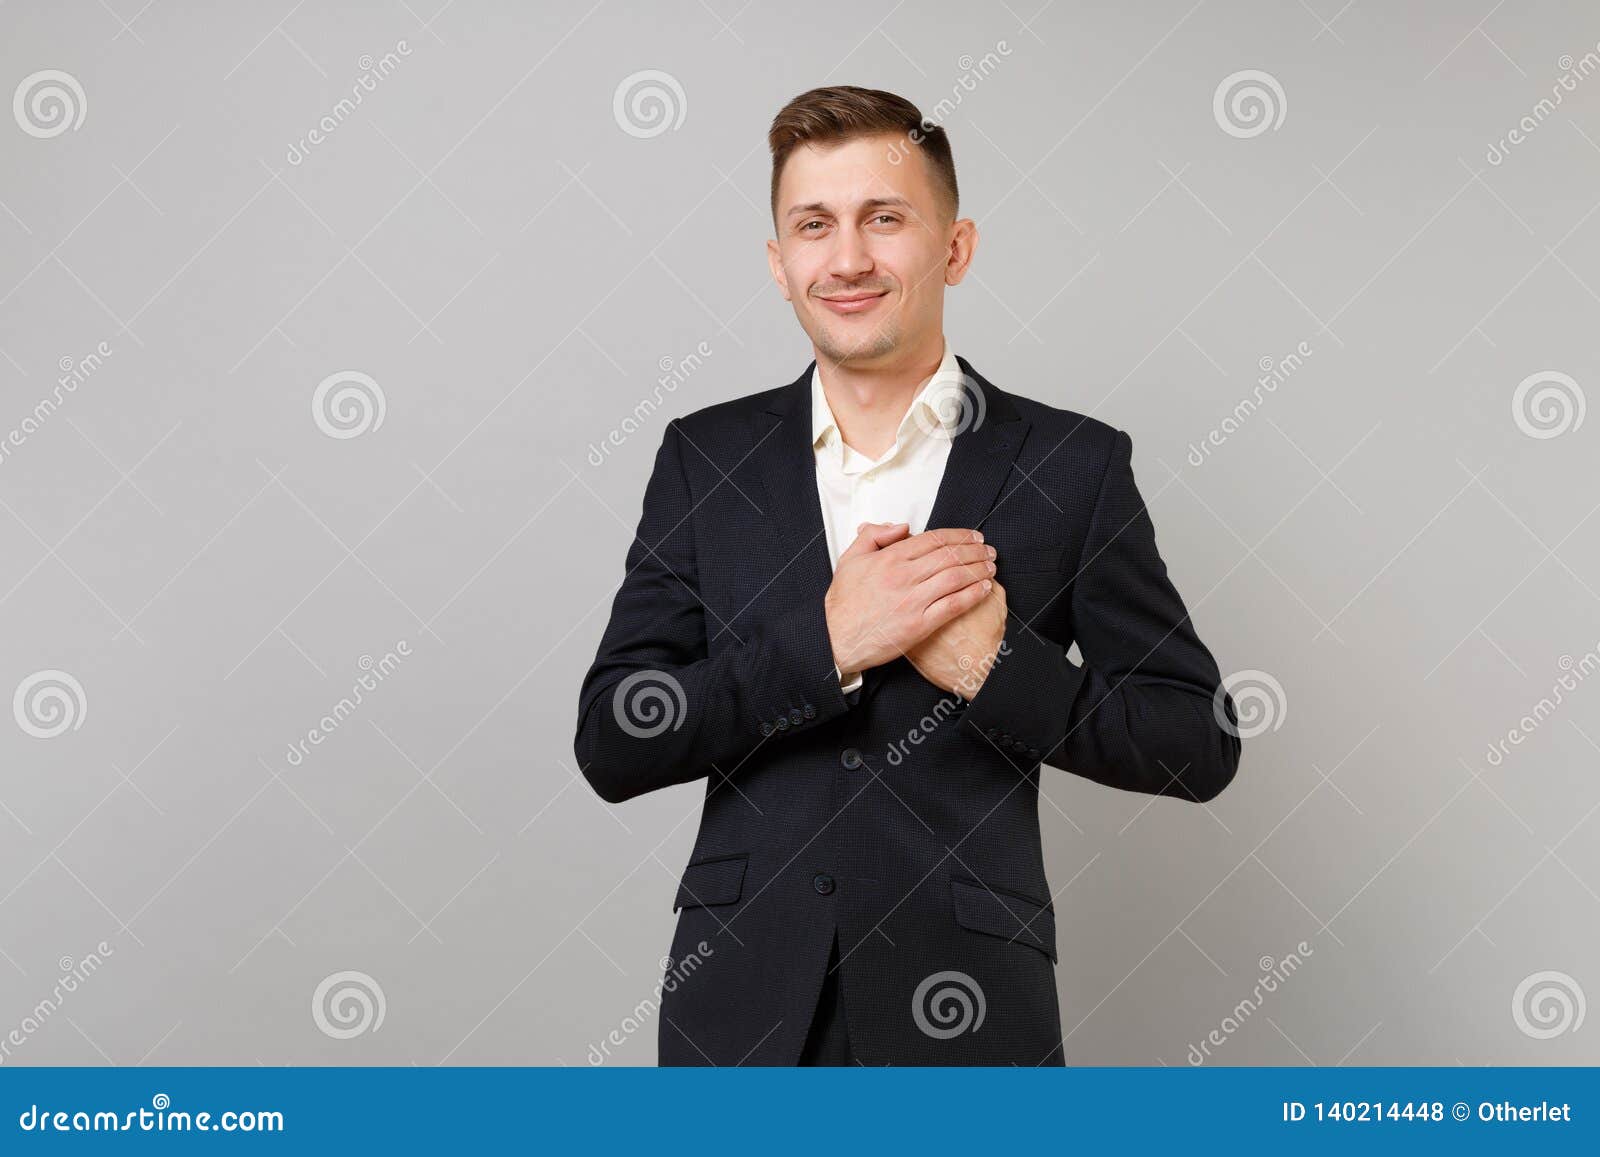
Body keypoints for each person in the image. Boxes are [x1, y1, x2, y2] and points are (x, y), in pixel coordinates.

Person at [574, 85, 1242, 1066]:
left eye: (884, 219)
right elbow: (613, 738)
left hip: (972, 1019)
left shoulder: (1071, 465)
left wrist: (996, 669)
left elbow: (1198, 741)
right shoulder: (704, 456)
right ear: (779, 262)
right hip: (739, 1018)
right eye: (814, 225)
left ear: (955, 248)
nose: (846, 258)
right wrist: (830, 643)